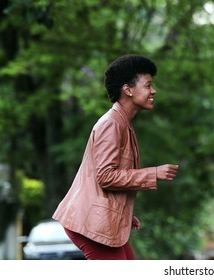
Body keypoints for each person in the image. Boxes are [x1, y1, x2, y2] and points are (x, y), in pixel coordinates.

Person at [52, 54, 179, 260]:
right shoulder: (111, 124)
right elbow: (106, 177)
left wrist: (123, 213)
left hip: (101, 219)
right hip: (89, 221)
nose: (153, 91)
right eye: (148, 85)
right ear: (128, 89)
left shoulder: (122, 123)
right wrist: (153, 173)